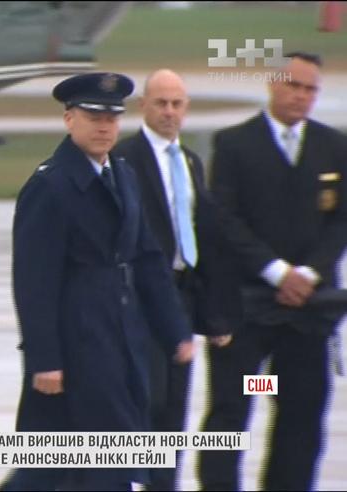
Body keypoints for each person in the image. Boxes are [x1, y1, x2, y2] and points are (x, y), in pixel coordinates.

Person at [6, 72, 194, 491]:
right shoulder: (50, 185)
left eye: (112, 117)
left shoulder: (123, 175)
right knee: (52, 469)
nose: (104, 126)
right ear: (69, 119)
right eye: (94, 117)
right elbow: (33, 282)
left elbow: (146, 258)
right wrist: (44, 358)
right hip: (74, 346)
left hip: (120, 339)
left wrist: (175, 329)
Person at [198, 52, 347, 491]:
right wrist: (278, 273)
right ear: (272, 84)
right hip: (248, 314)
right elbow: (224, 219)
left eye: (310, 89)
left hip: (307, 312)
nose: (301, 96)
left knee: (301, 412)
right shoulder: (234, 145)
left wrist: (310, 274)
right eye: (293, 85)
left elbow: (341, 221)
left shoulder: (333, 146)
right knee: (234, 407)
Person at [111, 69, 240, 491]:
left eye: (176, 104)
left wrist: (214, 316)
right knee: (150, 400)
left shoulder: (190, 162)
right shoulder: (124, 159)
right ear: (143, 106)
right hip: (141, 299)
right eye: (161, 103)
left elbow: (202, 239)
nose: (169, 112)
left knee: (174, 411)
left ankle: (164, 484)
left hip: (182, 298)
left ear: (186, 109)